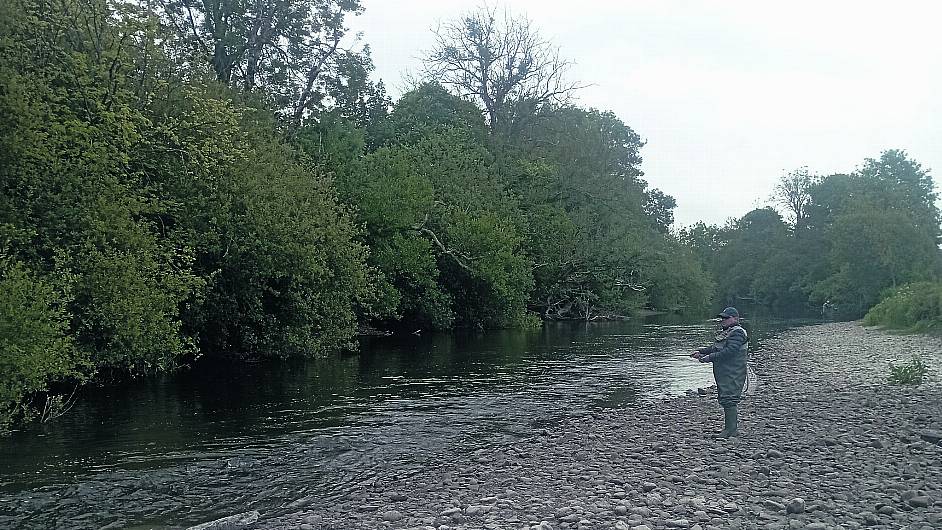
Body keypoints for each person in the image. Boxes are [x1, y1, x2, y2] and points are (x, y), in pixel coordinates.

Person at [691, 307, 748, 438]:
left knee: (729, 398)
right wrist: (702, 352)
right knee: (725, 397)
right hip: (725, 371)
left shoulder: (738, 333)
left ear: (735, 318)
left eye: (726, 318)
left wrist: (710, 357)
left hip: (734, 371)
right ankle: (729, 429)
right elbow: (716, 347)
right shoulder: (728, 332)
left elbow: (730, 351)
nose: (723, 320)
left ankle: (731, 430)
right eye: (722, 318)